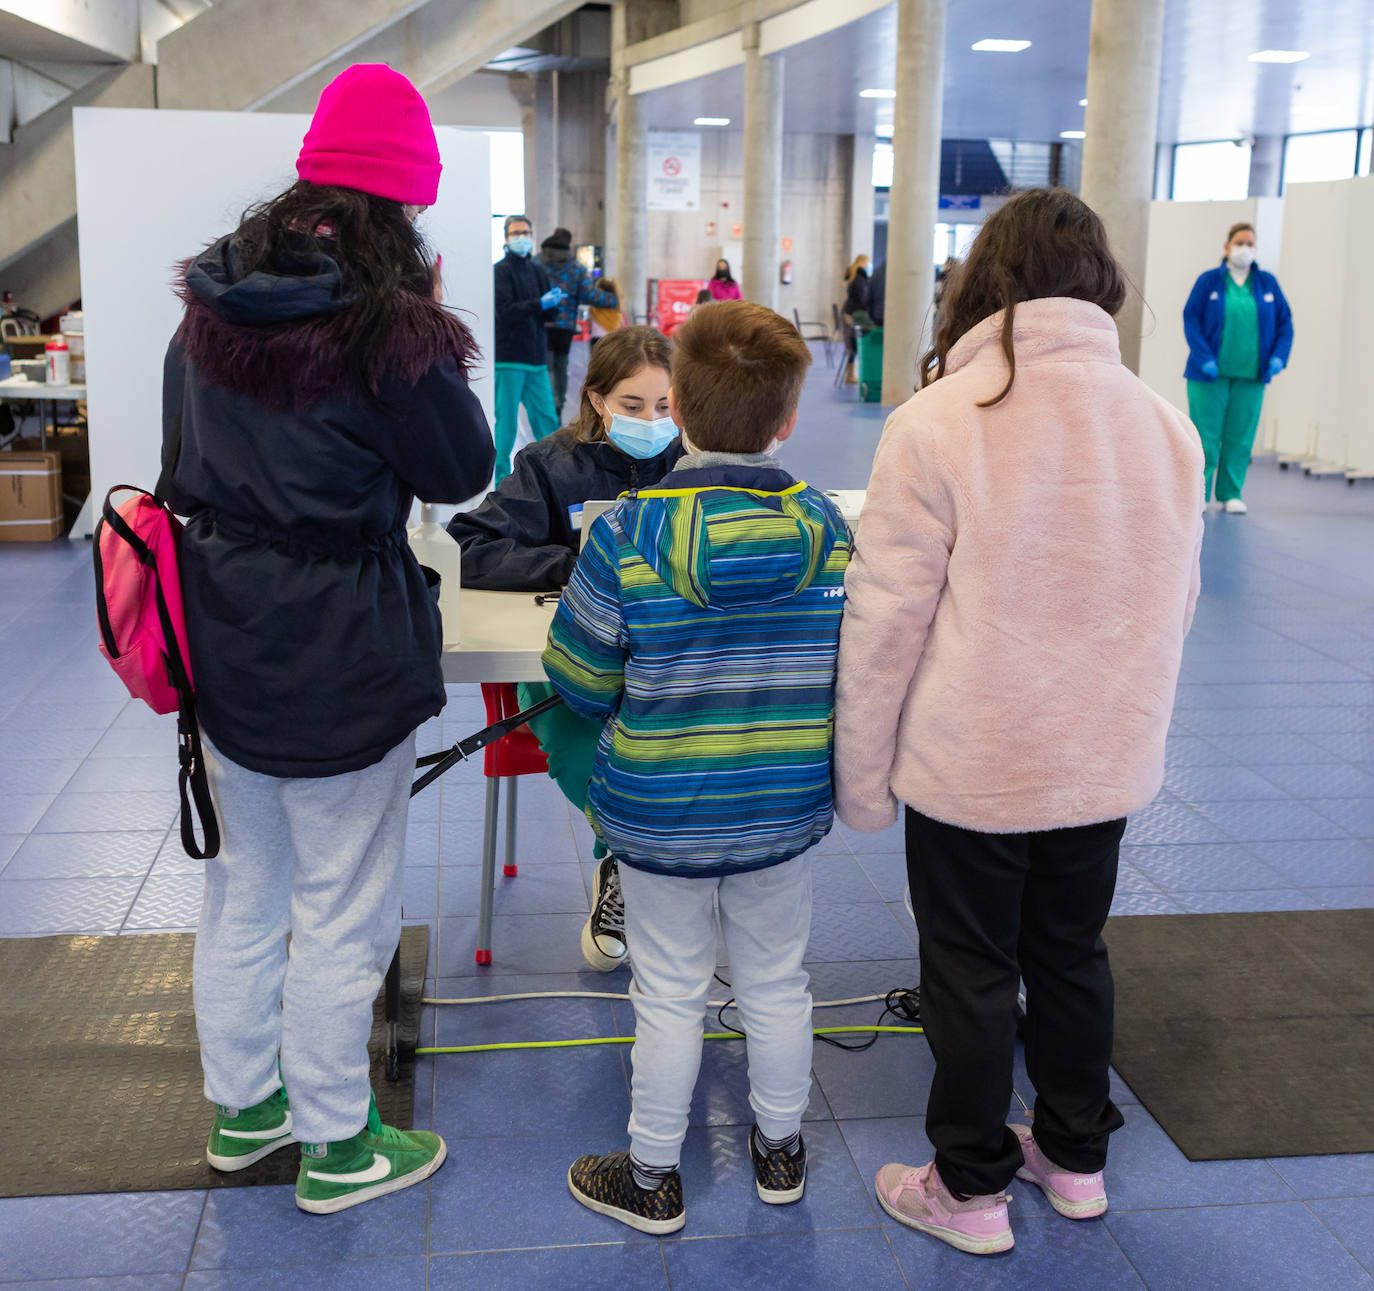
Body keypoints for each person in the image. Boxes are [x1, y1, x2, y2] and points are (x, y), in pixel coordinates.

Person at [833, 188, 1203, 1256]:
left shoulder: (939, 421)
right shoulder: (1162, 423)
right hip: (1101, 761)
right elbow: (1169, 608)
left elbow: (887, 617)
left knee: (971, 969)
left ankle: (970, 1188)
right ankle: (1076, 1160)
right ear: (1102, 288)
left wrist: (862, 774)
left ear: (985, 280)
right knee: (1074, 954)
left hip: (975, 762)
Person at [161, 64, 495, 1214]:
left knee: (246, 888)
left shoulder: (212, 299)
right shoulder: (386, 330)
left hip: (221, 624)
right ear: (401, 204)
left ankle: (248, 1113)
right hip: (343, 637)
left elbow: (180, 465)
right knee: (345, 902)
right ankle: (341, 1146)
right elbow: (460, 469)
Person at [543, 300, 851, 1235]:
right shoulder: (829, 527)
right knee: (777, 981)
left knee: (669, 989)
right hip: (782, 804)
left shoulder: (628, 531)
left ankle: (650, 1175)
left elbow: (580, 677)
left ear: (676, 409)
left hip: (658, 812)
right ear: (788, 419)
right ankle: (781, 1153)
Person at [446, 327, 685, 970]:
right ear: (597, 399)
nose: (652, 421)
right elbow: (470, 546)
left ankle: (658, 863)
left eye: (665, 407)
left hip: (665, 656)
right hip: (574, 656)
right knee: (581, 717)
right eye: (633, 406)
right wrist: (573, 559)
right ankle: (628, 865)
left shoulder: (691, 459)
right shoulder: (551, 463)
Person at [1183, 221, 1294, 514]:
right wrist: (1203, 356)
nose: (1245, 249)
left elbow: (1285, 323)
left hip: (1252, 375)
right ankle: (1201, 492)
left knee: (1240, 436)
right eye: (1240, 243)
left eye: (1250, 244)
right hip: (1208, 374)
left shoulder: (1267, 284)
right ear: (1227, 246)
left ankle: (1231, 492)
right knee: (1205, 436)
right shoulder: (1209, 282)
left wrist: (1278, 357)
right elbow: (1191, 319)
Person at [494, 214, 566, 484]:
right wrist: (539, 303)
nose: (521, 237)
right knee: (506, 426)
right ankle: (500, 480)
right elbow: (504, 312)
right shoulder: (500, 272)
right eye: (516, 233)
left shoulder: (537, 271)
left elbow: (547, 313)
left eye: (525, 232)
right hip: (509, 360)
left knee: (547, 419)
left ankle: (558, 474)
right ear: (506, 237)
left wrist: (554, 304)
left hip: (536, 359)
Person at [539, 227, 618, 420]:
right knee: (561, 364)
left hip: (541, 322)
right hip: (565, 326)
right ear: (569, 244)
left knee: (546, 366)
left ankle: (548, 403)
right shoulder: (576, 268)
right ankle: (558, 404)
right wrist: (615, 299)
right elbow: (590, 295)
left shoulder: (536, 263)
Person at [841, 254, 872, 384]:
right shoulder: (859, 278)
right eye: (869, 263)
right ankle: (852, 375)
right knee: (858, 343)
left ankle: (850, 374)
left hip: (849, 313)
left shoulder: (853, 275)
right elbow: (863, 298)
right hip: (854, 314)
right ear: (864, 263)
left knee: (852, 346)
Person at [588, 278, 624, 351]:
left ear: (601, 289)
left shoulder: (594, 306)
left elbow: (590, 324)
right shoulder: (618, 303)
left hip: (597, 338)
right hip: (614, 338)